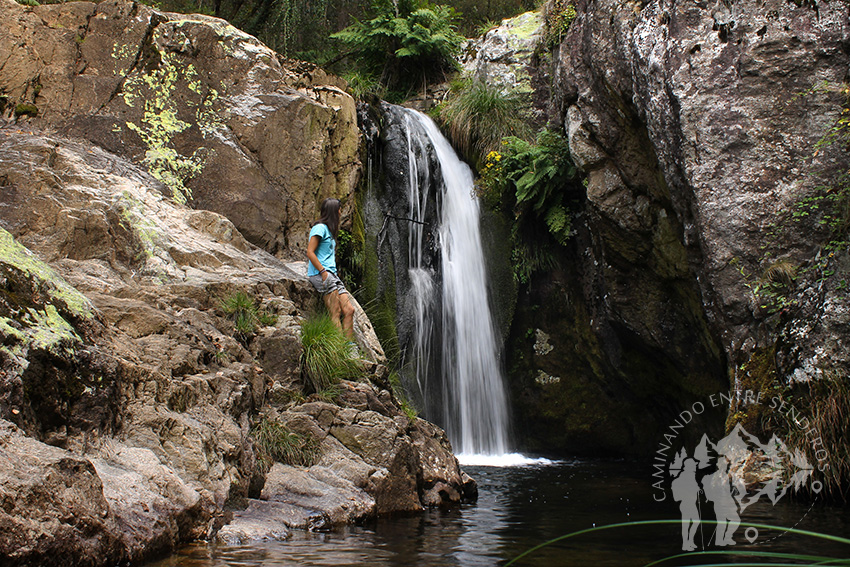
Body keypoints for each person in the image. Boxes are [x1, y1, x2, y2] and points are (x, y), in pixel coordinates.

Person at [306, 198, 356, 343]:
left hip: (332, 275)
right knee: (335, 312)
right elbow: (310, 252)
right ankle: (340, 349)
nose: (341, 212)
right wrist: (323, 272)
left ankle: (349, 346)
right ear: (334, 210)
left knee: (349, 310)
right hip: (321, 274)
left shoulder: (329, 229)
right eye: (340, 209)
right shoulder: (320, 228)